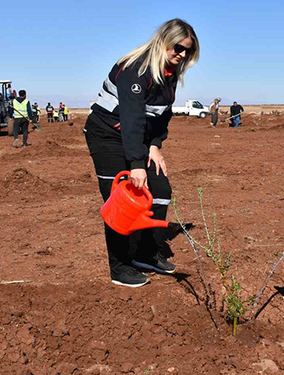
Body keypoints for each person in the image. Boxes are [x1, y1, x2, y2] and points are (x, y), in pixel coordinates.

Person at [84, 18, 200, 288]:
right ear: (163, 41)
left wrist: (155, 145)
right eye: (177, 48)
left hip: (139, 139)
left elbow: (161, 117)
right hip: (107, 136)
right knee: (120, 199)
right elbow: (133, 118)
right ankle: (120, 267)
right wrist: (137, 163)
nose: (181, 55)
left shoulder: (169, 76)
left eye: (188, 51)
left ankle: (147, 254)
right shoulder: (136, 70)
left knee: (160, 189)